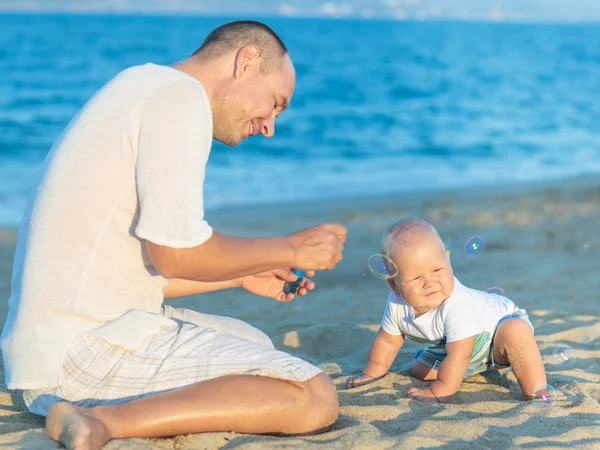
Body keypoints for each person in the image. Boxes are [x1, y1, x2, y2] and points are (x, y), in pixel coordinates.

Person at [1, 20, 347, 449]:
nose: (270, 125)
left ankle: (94, 411)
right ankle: (100, 422)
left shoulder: (143, 86)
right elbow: (176, 255)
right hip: (78, 355)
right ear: (247, 61)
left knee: (251, 341)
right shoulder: (179, 98)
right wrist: (292, 247)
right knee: (312, 395)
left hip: (45, 351)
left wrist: (240, 276)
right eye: (275, 103)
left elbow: (130, 273)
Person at [345, 218, 549, 403]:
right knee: (420, 371)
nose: (429, 283)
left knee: (515, 331)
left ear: (448, 260)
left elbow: (460, 355)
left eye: (437, 270)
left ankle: (537, 390)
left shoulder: (457, 303)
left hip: (494, 337)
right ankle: (472, 370)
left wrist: (439, 391)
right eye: (416, 278)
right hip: (457, 346)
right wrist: (372, 373)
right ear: (394, 285)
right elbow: (387, 342)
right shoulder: (396, 304)